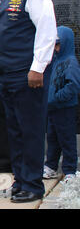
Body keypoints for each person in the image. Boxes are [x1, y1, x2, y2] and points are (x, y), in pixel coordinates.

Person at [0, 0, 57, 203]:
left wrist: (38, 67)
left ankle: (33, 185)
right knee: (13, 131)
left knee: (30, 130)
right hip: (6, 75)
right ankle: (20, 180)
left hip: (27, 75)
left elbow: (47, 31)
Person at [43, 26, 80, 182]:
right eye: (54, 44)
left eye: (58, 44)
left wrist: (57, 97)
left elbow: (73, 85)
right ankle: (51, 166)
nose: (55, 47)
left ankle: (70, 170)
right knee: (52, 138)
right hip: (53, 108)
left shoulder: (70, 62)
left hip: (65, 108)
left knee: (67, 139)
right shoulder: (55, 60)